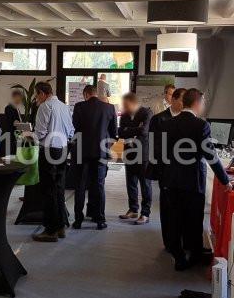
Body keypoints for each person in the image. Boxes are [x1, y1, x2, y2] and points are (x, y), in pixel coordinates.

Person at [163, 88, 229, 271]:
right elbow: (210, 155)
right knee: (194, 220)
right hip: (193, 181)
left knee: (174, 219)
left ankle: (178, 257)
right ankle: (194, 255)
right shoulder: (201, 125)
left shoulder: (168, 124)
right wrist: (225, 179)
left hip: (172, 180)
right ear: (197, 103)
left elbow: (160, 154)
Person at [31, 82, 74, 242]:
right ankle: (61, 226)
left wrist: (30, 136)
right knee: (59, 188)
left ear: (42, 93)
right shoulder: (64, 106)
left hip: (49, 150)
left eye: (37, 95)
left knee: (48, 190)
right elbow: (71, 130)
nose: (36, 98)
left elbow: (40, 132)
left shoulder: (45, 106)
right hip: (63, 149)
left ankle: (50, 230)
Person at [71, 84, 117, 230]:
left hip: (81, 153)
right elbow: (114, 133)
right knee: (99, 186)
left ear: (85, 94)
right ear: (96, 94)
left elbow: (75, 127)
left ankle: (78, 220)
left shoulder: (79, 107)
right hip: (100, 153)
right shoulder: (109, 108)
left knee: (80, 186)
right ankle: (100, 220)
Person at [148, 88, 186, 252]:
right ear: (174, 100)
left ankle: (182, 240)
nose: (184, 104)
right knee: (167, 207)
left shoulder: (188, 119)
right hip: (166, 170)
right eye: (182, 100)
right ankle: (168, 242)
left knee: (182, 208)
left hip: (184, 172)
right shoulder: (159, 119)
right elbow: (154, 146)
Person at [118, 92, 153, 224]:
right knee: (131, 184)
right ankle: (133, 209)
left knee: (145, 185)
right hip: (129, 153)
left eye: (126, 105)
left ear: (134, 103)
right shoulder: (124, 115)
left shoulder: (146, 113)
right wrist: (134, 129)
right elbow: (120, 132)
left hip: (143, 154)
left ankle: (145, 213)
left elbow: (144, 131)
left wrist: (128, 130)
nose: (125, 108)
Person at [2, 90, 23, 157]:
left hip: (16, 136)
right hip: (11, 137)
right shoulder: (9, 108)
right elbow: (12, 122)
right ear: (15, 97)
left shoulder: (17, 108)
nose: (20, 100)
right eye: (19, 98)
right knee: (10, 156)